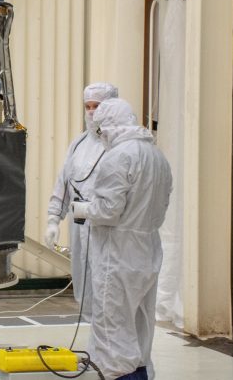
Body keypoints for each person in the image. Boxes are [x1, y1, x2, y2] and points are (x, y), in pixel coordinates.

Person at [70, 98, 172, 380]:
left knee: (112, 324)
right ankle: (140, 374)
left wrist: (84, 208)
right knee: (140, 322)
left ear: (106, 127)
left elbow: (107, 211)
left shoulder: (118, 157)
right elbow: (162, 203)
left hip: (118, 253)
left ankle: (120, 376)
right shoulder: (156, 156)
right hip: (148, 249)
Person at [44, 82, 120, 317]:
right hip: (78, 224)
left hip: (105, 226)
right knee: (83, 280)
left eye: (96, 105)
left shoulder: (118, 145)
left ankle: (106, 342)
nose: (91, 111)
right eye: (87, 106)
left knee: (105, 283)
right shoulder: (78, 143)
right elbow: (65, 181)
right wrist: (54, 218)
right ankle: (90, 333)